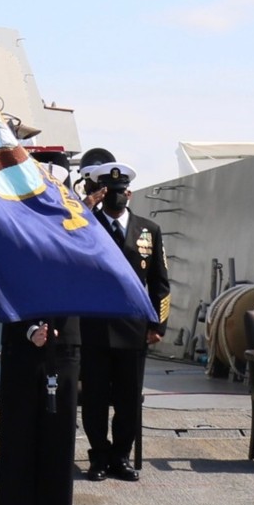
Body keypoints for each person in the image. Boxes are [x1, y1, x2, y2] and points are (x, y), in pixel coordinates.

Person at [0, 145, 82, 505]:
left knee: (57, 450)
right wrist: (30, 329)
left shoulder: (79, 230)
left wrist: (54, 330)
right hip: (22, 349)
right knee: (17, 449)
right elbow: (4, 284)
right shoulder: (13, 230)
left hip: (63, 352)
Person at [77, 160, 169, 483]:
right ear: (102, 193)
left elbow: (160, 282)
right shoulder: (87, 225)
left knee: (129, 400)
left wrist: (158, 325)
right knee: (95, 400)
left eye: (120, 192)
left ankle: (121, 457)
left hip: (133, 329)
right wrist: (85, 208)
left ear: (129, 192)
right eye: (109, 193)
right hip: (95, 327)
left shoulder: (149, 230)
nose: (116, 198)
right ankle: (98, 457)